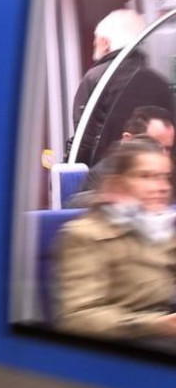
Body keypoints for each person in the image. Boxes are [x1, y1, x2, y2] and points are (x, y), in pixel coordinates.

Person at [53, 139, 176, 345]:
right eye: (147, 176)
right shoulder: (85, 235)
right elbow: (77, 317)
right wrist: (155, 324)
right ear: (117, 184)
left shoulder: (164, 228)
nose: (162, 187)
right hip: (125, 344)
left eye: (165, 178)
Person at [70, 9, 172, 166]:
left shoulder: (96, 79)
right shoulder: (160, 82)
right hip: (157, 169)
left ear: (105, 43)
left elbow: (84, 140)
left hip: (111, 174)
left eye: (95, 41)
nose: (94, 45)